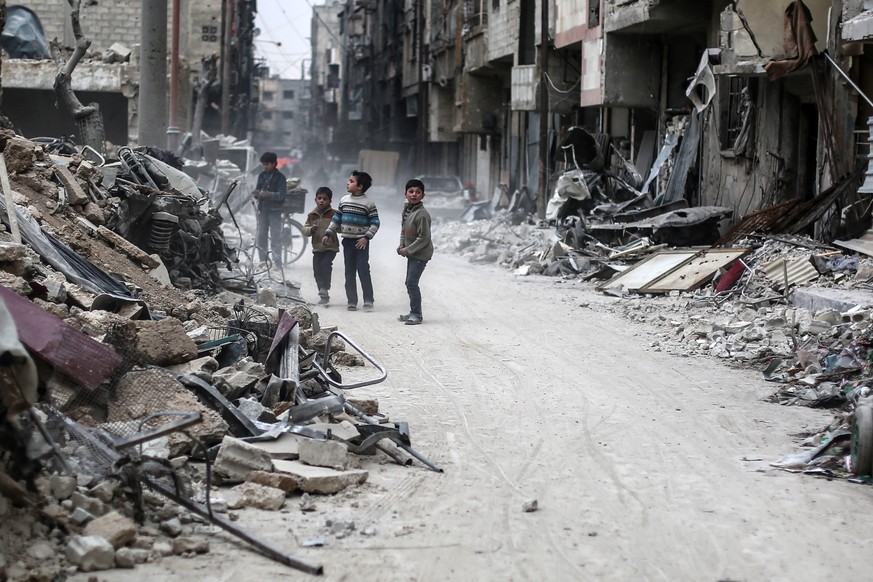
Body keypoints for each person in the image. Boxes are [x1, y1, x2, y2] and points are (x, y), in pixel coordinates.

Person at [323, 170, 380, 311]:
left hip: (361, 243)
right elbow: (336, 219)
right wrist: (328, 233)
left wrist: (366, 237)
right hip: (347, 242)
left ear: (360, 186)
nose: (348, 183)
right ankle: (352, 301)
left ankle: (368, 299)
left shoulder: (369, 203)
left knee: (363, 269)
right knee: (349, 272)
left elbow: (375, 223)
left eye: (351, 181)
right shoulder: (344, 200)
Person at [396, 179, 433, 326]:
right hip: (412, 253)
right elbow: (404, 231)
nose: (414, 194)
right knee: (409, 282)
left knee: (412, 283)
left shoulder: (422, 214)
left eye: (418, 192)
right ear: (405, 194)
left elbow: (424, 238)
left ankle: (416, 315)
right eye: (411, 191)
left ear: (423, 195)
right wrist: (401, 245)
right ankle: (413, 312)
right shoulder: (407, 210)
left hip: (420, 254)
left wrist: (408, 249)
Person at [303, 186, 339, 305]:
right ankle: (323, 293)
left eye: (325, 199)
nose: (322, 201)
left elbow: (340, 228)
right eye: (319, 198)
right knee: (317, 269)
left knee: (325, 265)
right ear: (315, 200)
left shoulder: (334, 214)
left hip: (331, 247)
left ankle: (325, 287)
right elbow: (305, 229)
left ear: (330, 201)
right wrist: (311, 230)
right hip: (317, 247)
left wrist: (337, 227)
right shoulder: (312, 215)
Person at [252, 151, 287, 266]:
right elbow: (258, 190)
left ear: (274, 164)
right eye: (264, 164)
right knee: (261, 235)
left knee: (275, 236)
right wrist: (257, 193)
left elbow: (281, 195)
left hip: (275, 211)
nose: (265, 166)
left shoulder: (280, 177)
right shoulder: (262, 176)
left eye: (267, 164)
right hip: (263, 210)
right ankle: (263, 261)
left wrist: (267, 194)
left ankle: (277, 262)